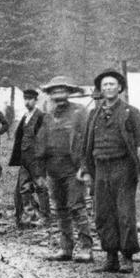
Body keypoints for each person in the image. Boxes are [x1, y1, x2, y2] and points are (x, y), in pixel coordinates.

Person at [78, 69, 140, 274]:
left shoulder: (131, 112)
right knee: (103, 213)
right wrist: (86, 169)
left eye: (112, 84)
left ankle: (127, 257)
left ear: (119, 87)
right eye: (105, 85)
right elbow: (86, 145)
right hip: (100, 168)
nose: (108, 87)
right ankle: (111, 257)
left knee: (124, 212)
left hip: (123, 167)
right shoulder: (94, 114)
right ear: (100, 89)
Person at [39, 75, 93, 262]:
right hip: (54, 169)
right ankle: (66, 248)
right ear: (50, 94)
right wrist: (40, 171)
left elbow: (87, 141)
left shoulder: (79, 112)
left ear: (69, 92)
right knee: (60, 209)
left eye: (62, 90)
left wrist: (85, 167)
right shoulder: (48, 116)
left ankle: (86, 248)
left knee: (77, 207)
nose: (58, 94)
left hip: (73, 169)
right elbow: (41, 143)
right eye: (54, 91)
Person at [9, 88, 49, 228]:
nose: (27, 102)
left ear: (35, 100)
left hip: (37, 159)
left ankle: (44, 216)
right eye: (25, 99)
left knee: (40, 187)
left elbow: (45, 139)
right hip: (25, 158)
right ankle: (30, 215)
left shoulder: (41, 116)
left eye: (30, 99)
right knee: (24, 188)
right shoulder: (25, 116)